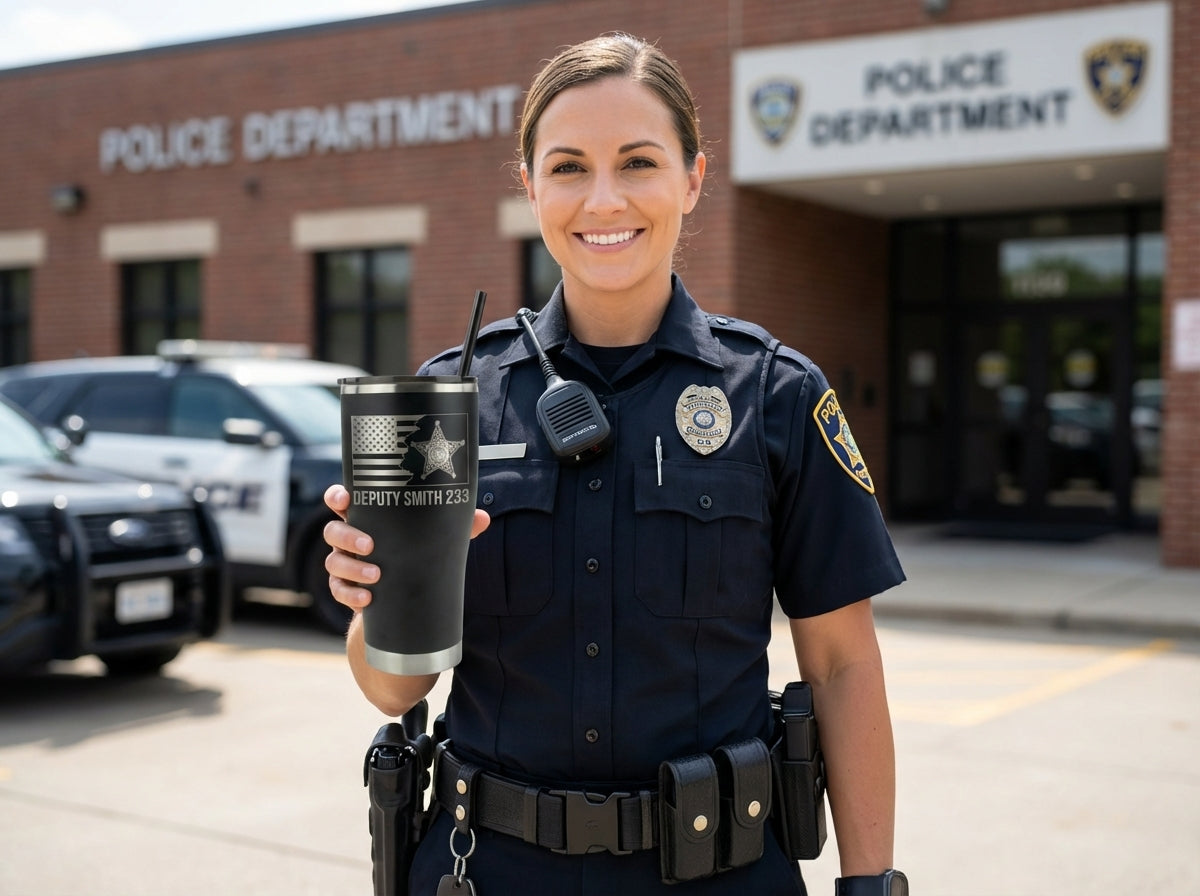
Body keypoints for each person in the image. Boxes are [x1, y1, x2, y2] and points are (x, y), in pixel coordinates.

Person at [324, 32, 907, 895]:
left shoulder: (776, 394)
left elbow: (843, 666)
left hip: (718, 873)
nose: (604, 200)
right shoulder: (447, 401)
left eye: (638, 162)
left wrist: (872, 886)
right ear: (531, 187)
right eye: (568, 168)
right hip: (486, 871)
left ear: (692, 179)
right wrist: (376, 599)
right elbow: (391, 690)